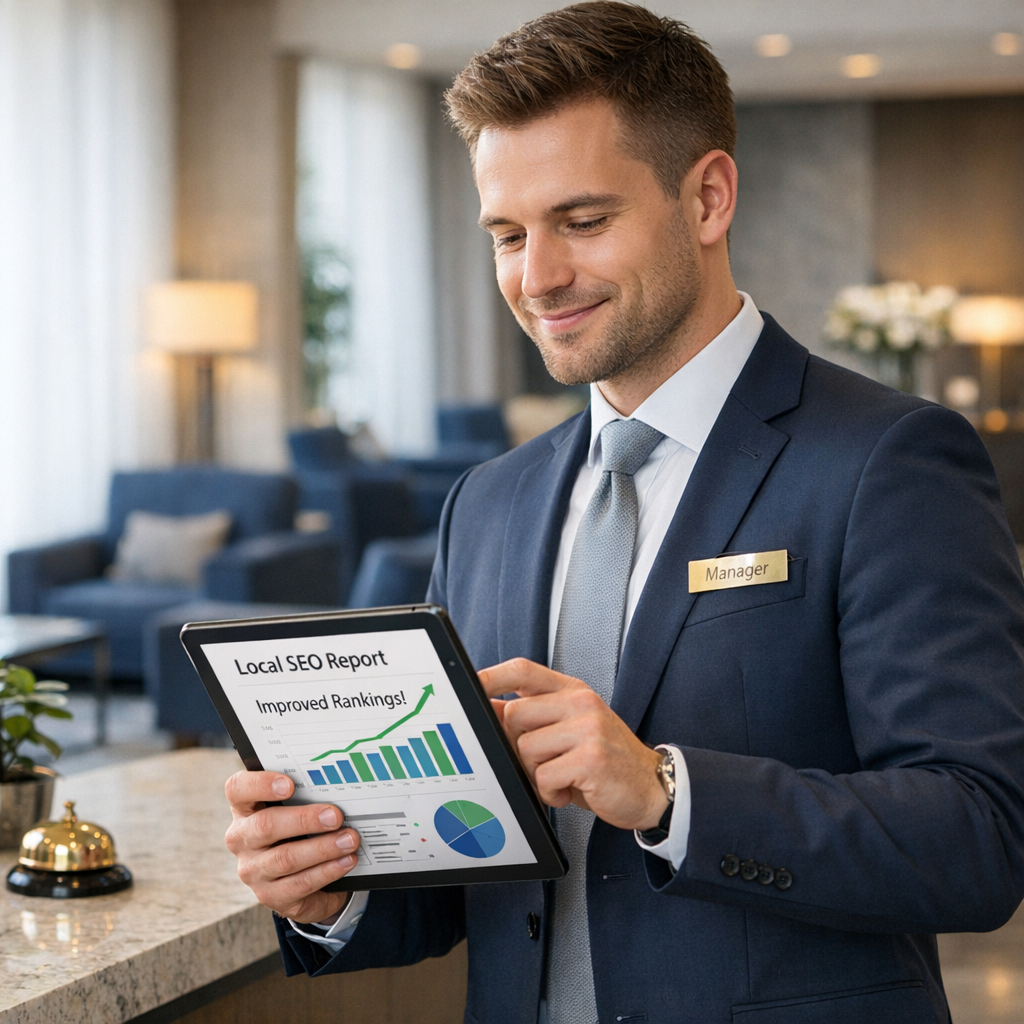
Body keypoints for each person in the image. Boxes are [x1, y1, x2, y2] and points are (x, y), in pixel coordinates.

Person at [223, 4, 1024, 1022]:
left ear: (708, 197)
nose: (537, 276)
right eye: (507, 234)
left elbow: (979, 838)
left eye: (582, 221)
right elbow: (470, 884)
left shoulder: (886, 460)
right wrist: (331, 883)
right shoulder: (489, 503)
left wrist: (666, 791)